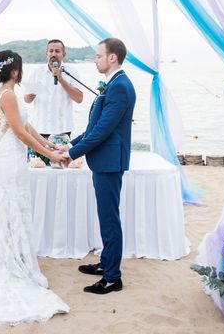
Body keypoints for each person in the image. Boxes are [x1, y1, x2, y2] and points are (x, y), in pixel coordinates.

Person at [0, 50, 70, 324]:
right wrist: (51, 157)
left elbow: (28, 126)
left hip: (14, 156)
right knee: (11, 209)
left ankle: (17, 256)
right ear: (15, 71)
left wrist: (49, 145)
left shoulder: (9, 94)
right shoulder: (6, 95)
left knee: (17, 208)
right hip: (8, 157)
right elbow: (18, 132)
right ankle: (11, 264)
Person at [63, 38, 136, 295]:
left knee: (109, 219)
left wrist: (71, 154)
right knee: (106, 216)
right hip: (103, 161)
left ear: (112, 57)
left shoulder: (120, 87)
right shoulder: (113, 84)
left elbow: (103, 131)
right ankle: (106, 264)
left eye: (98, 55)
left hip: (109, 162)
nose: (95, 60)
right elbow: (94, 128)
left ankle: (112, 277)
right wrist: (68, 146)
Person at [24, 39, 83, 141]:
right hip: (40, 129)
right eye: (51, 51)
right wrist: (30, 95)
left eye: (57, 51)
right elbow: (26, 100)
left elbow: (79, 99)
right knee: (38, 157)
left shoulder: (72, 72)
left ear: (64, 54)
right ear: (46, 54)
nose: (53, 54)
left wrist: (61, 80)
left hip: (62, 130)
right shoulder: (37, 72)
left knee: (61, 157)